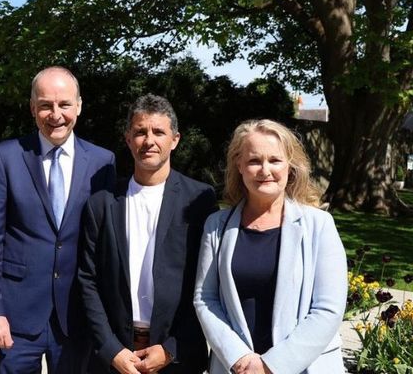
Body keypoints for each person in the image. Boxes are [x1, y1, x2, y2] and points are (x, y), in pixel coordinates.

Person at [0, 66, 116, 373]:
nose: (56, 114)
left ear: (79, 106)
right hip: (14, 319)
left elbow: (106, 245)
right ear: (32, 108)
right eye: (45, 105)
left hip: (77, 317)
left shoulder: (102, 162)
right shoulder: (6, 157)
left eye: (64, 104)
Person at [194, 119, 347, 374]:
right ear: (239, 166)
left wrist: (271, 365)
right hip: (236, 368)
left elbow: (328, 309)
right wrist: (240, 358)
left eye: (274, 160)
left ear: (290, 166)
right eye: (254, 161)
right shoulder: (216, 226)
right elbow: (205, 298)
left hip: (304, 367)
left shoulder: (319, 225)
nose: (265, 170)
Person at [78, 94, 217, 374]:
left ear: (175, 139)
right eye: (140, 132)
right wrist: (111, 349)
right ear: (128, 139)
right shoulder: (101, 203)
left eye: (158, 132)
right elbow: (87, 280)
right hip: (115, 357)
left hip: (176, 357)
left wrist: (171, 348)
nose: (149, 140)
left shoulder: (199, 199)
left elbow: (206, 282)